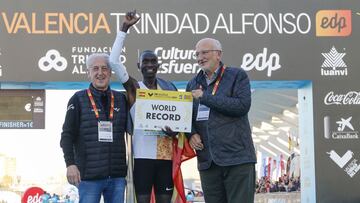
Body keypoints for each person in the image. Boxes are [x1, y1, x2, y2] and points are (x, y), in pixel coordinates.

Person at [109, 11, 180, 203]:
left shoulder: (169, 89)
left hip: (165, 157)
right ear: (138, 65)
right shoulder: (135, 88)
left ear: (158, 65)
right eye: (145, 61)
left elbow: (179, 121)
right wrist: (124, 28)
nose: (150, 64)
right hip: (143, 159)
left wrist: (177, 133)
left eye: (153, 61)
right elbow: (113, 62)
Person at [186, 38, 257, 203]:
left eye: (204, 52)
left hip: (237, 160)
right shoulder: (193, 83)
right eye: (197, 54)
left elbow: (242, 106)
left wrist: (206, 97)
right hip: (208, 162)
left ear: (218, 54)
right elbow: (186, 116)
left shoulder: (237, 76)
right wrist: (191, 133)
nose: (200, 57)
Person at [60, 53, 129, 203]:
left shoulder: (121, 99)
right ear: (88, 73)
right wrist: (70, 164)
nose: (100, 73)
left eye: (104, 68)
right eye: (95, 68)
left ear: (110, 73)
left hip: (117, 176)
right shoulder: (78, 99)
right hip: (89, 178)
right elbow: (66, 136)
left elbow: (137, 125)